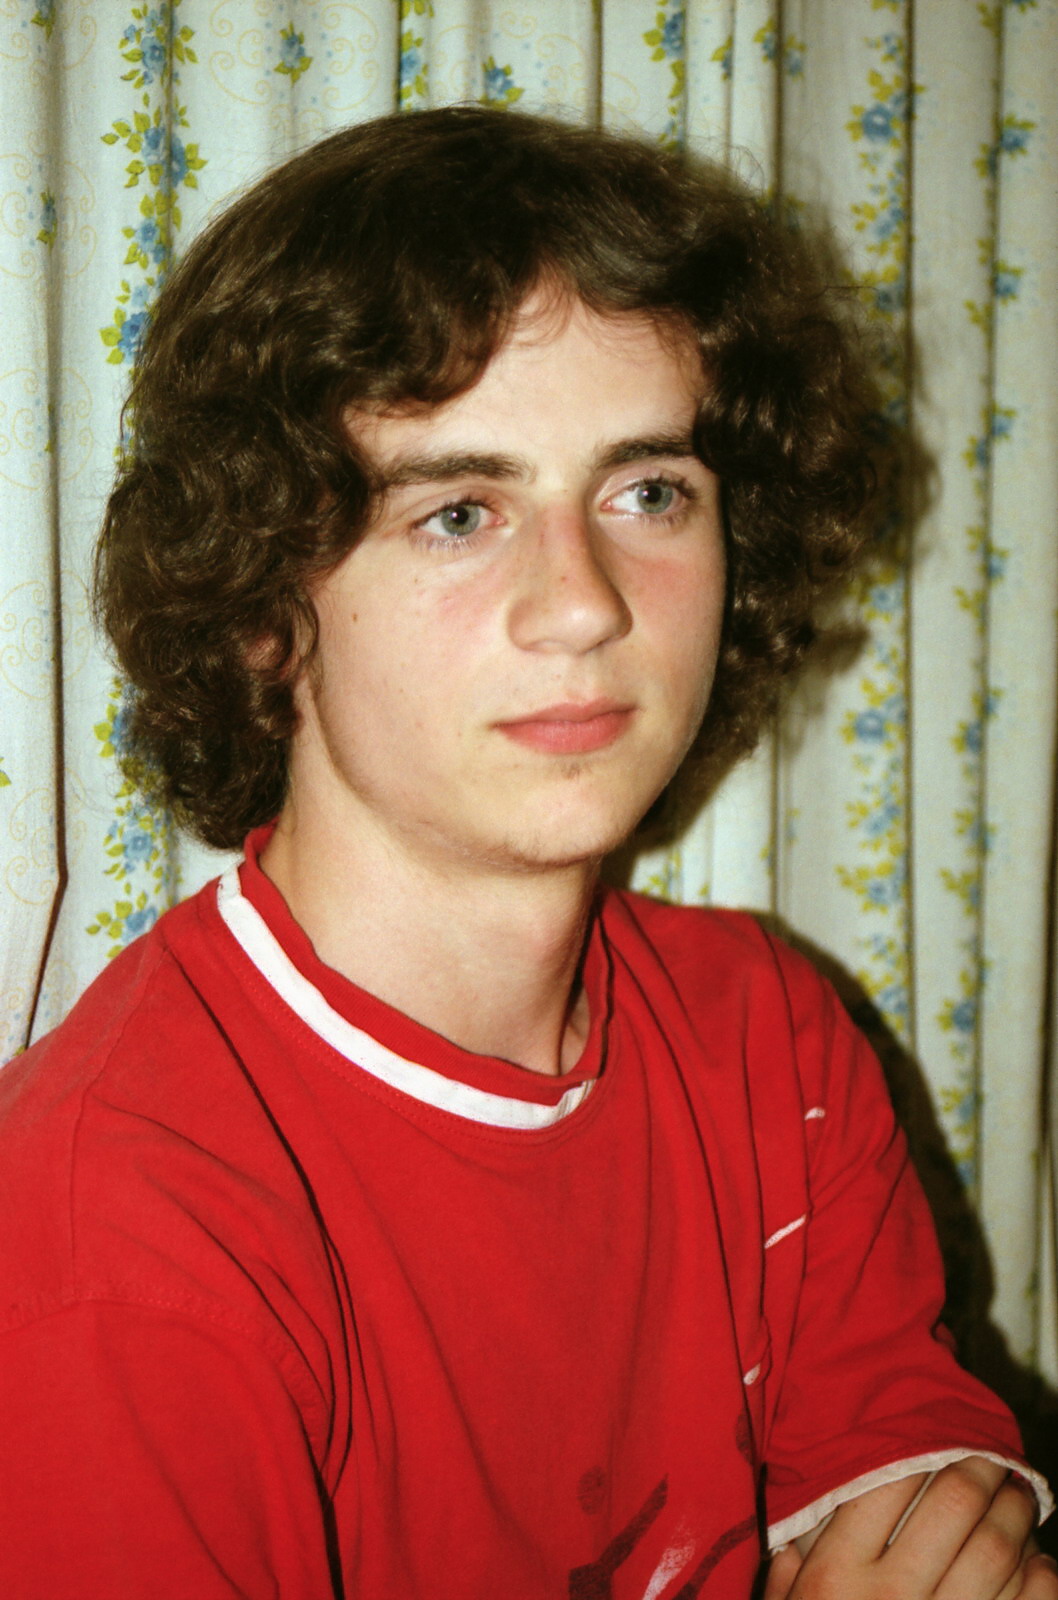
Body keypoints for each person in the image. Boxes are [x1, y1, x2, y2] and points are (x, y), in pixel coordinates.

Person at [0, 106, 1052, 1600]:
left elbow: (931, 1519)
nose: (584, 604)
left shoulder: (772, 1040)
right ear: (260, 603)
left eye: (647, 493)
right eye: (458, 512)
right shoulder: (120, 1236)